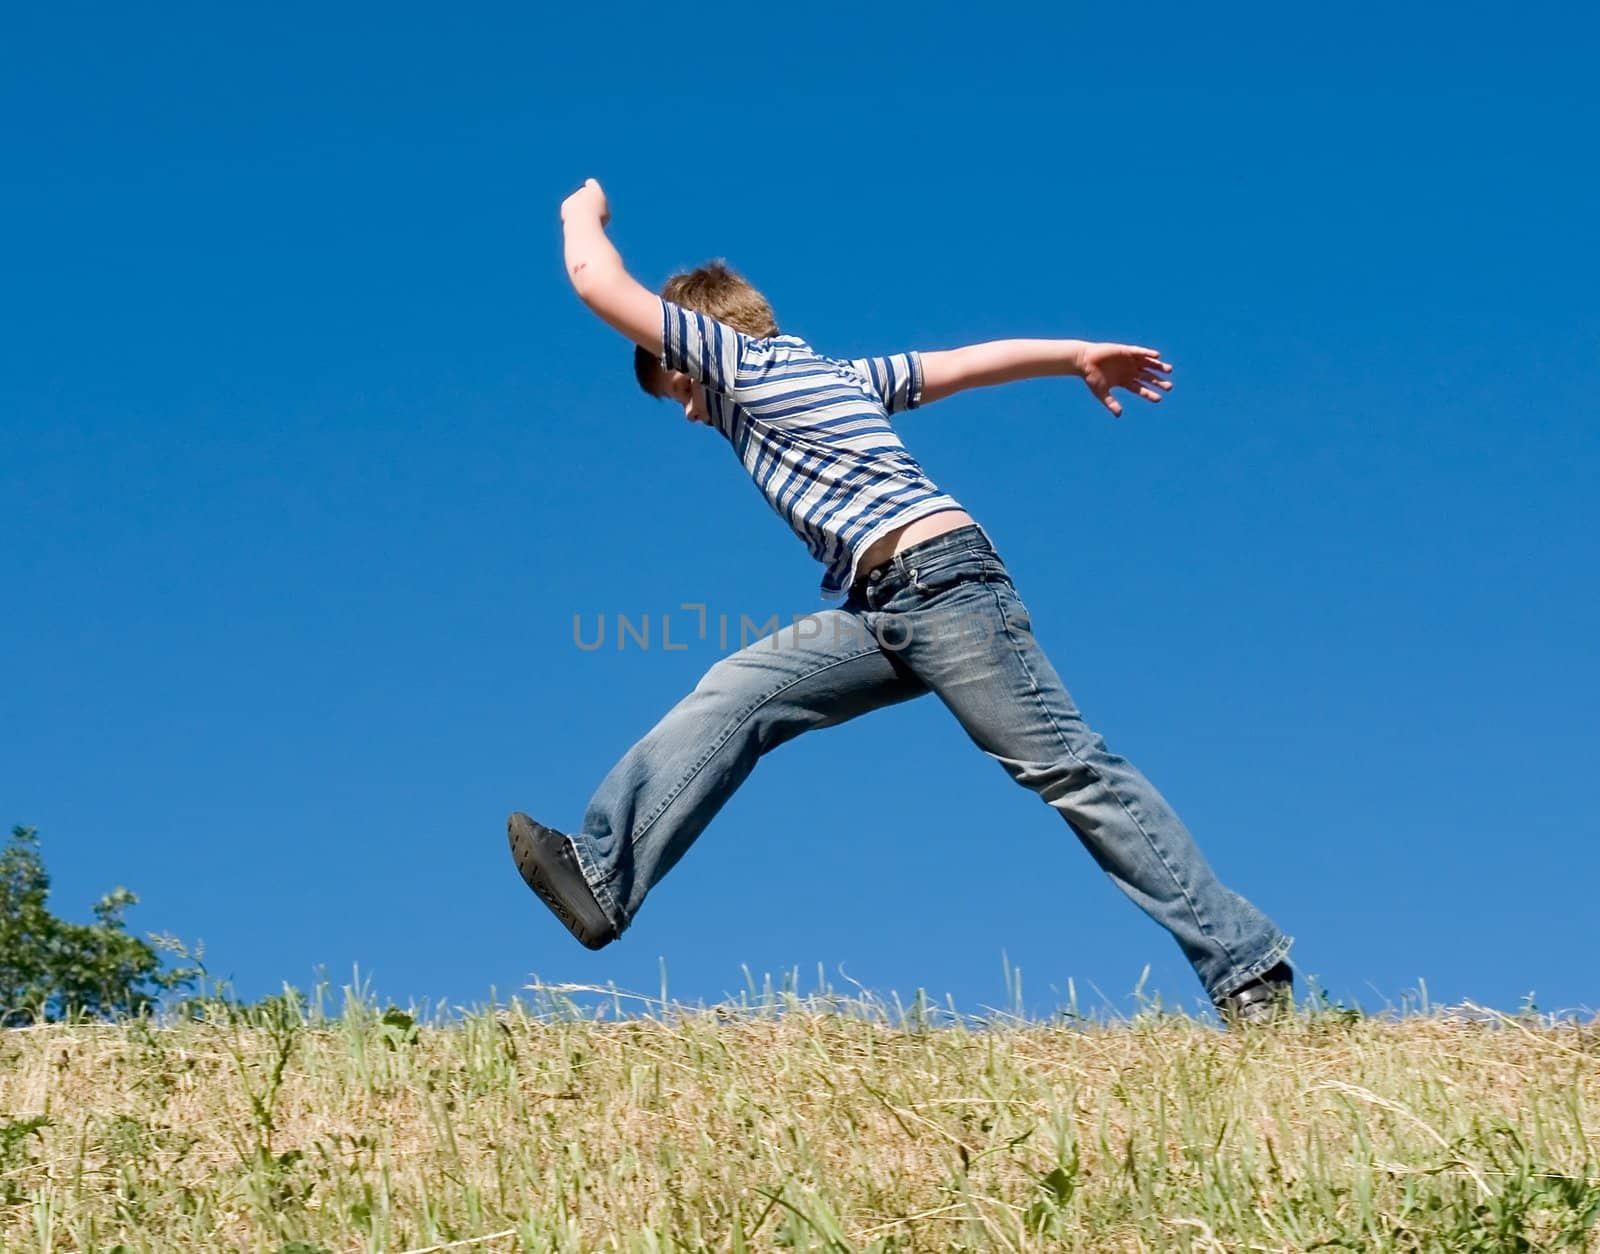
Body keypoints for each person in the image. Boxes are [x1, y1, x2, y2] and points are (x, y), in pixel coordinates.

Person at [510, 178, 1293, 1023]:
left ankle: (1245, 964)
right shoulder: (836, 374)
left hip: (946, 587)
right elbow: (956, 367)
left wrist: (579, 210)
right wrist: (1073, 354)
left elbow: (596, 281)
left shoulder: (746, 365)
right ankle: (601, 876)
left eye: (683, 390)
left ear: (702, 346)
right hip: (880, 607)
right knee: (739, 692)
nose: (691, 413)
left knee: (1069, 768)